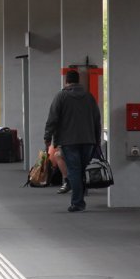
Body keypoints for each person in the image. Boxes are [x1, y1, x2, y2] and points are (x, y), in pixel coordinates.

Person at [44, 70, 101, 212]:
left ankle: (78, 202)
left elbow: (52, 119)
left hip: (69, 141)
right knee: (82, 170)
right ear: (78, 81)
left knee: (74, 171)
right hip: (88, 140)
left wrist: (47, 137)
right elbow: (97, 121)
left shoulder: (61, 96)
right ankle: (80, 196)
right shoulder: (89, 97)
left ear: (66, 81)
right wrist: (97, 140)